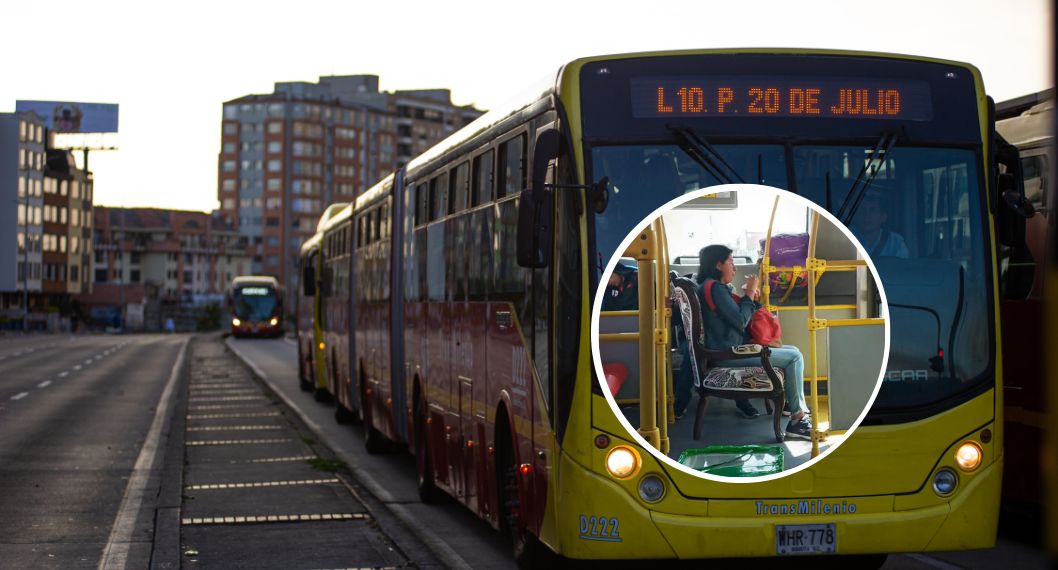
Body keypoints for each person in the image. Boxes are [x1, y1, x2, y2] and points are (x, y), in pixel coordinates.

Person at [676, 244, 813, 440]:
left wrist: (750, 299)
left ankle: (793, 407)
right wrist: (749, 294)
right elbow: (741, 322)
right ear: (718, 265)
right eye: (731, 261)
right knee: (794, 357)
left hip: (726, 349)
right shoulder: (715, 289)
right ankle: (797, 419)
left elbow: (735, 317)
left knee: (792, 350)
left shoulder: (710, 286)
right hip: (726, 355)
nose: (735, 267)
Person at [852, 193, 909, 258]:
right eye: (862, 210)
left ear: (883, 217)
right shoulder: (846, 237)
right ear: (855, 216)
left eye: (872, 210)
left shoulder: (895, 242)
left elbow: (902, 267)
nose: (866, 215)